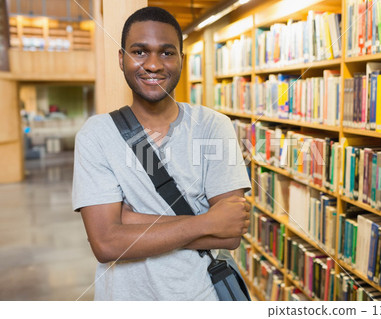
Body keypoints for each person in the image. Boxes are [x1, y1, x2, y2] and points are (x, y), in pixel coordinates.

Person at [72, 6, 251, 300]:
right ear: (121, 58)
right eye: (139, 52)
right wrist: (207, 221)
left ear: (182, 58)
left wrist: (129, 221)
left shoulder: (213, 126)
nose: (153, 64)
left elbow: (230, 232)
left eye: (167, 52)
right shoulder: (96, 134)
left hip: (201, 298)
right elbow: (105, 244)